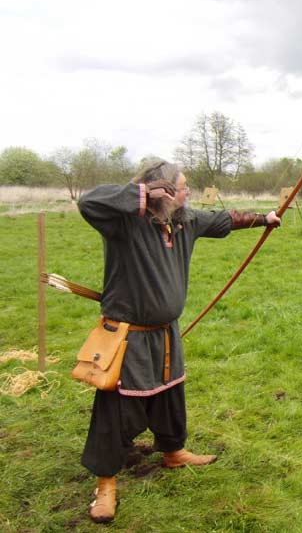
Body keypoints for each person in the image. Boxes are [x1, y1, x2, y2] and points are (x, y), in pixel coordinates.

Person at [77, 160, 280, 523]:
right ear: (162, 192)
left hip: (166, 332)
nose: (188, 192)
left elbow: (223, 219)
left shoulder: (184, 219)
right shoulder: (124, 222)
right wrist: (141, 194)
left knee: (170, 395)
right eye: (182, 187)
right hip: (128, 336)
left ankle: (173, 452)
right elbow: (90, 201)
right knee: (116, 410)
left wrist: (263, 218)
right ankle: (106, 483)